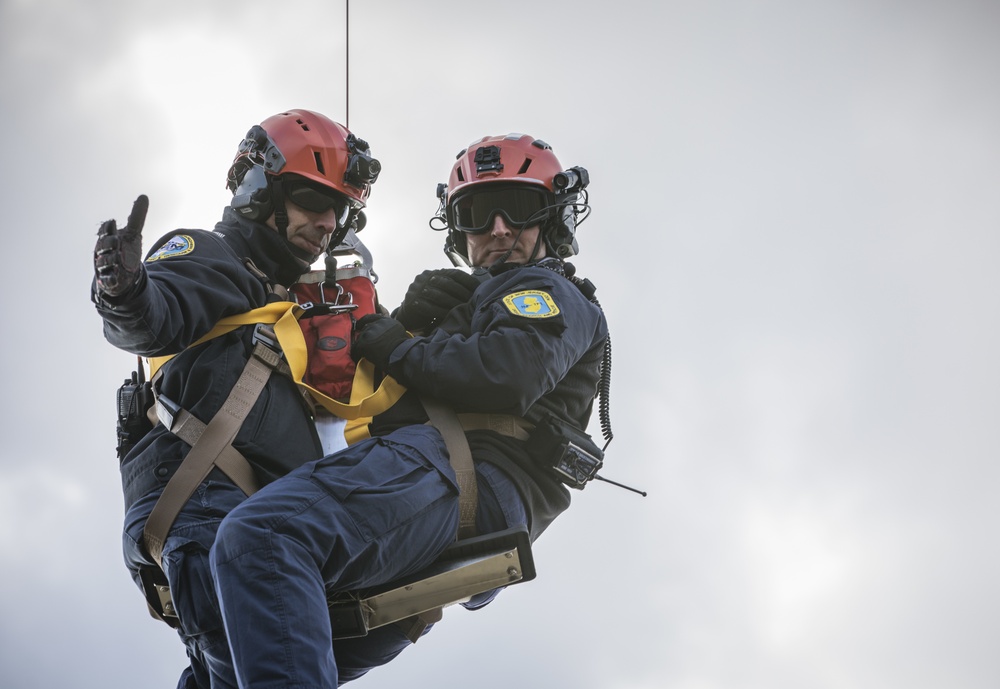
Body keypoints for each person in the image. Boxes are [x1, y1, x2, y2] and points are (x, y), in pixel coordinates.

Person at [208, 132, 612, 687]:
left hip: (458, 476)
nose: (498, 229)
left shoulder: (546, 290)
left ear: (553, 218)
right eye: (476, 215)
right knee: (235, 650)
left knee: (263, 537)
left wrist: (399, 345)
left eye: (517, 208)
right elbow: (373, 401)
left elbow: (506, 374)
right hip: (437, 498)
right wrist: (408, 323)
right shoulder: (476, 305)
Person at [92, 109, 382, 689]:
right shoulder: (212, 256)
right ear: (256, 190)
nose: (328, 223)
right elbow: (156, 316)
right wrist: (125, 292)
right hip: (210, 515)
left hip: (253, 535)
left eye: (341, 210)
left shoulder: (303, 307)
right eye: (311, 199)